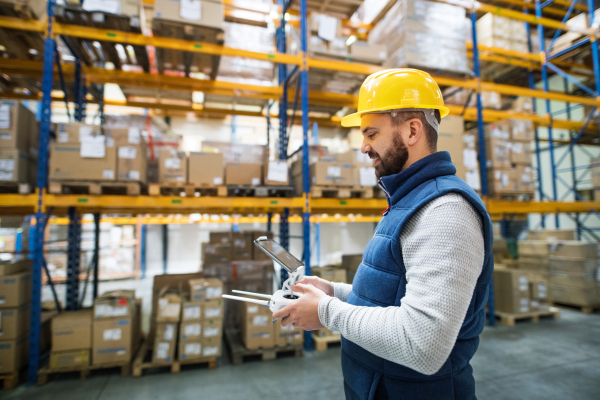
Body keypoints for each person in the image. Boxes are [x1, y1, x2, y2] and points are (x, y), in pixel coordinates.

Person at [272, 69, 493, 400]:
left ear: (412, 131)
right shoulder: (410, 201)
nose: (363, 147)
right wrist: (333, 292)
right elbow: (395, 295)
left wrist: (325, 311)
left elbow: (423, 344)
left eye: (372, 134)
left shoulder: (445, 211)